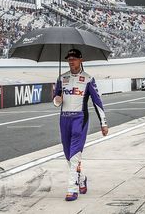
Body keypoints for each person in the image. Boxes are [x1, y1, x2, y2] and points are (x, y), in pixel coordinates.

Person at [53, 49, 109, 202]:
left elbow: (97, 102)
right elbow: (55, 99)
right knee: (68, 156)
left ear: (80, 60)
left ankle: (72, 189)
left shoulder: (88, 79)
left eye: (74, 59)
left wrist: (103, 123)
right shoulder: (61, 78)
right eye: (69, 59)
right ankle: (82, 179)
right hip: (64, 119)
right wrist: (57, 99)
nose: (71, 61)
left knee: (74, 155)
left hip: (80, 119)